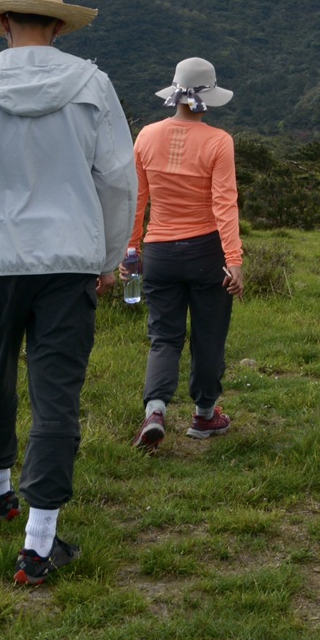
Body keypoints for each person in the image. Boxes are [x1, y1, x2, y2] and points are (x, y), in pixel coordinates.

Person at [0, 0, 136, 586]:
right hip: (69, 258)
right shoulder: (92, 84)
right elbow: (118, 179)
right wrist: (106, 257)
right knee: (57, 394)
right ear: (57, 26)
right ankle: (39, 543)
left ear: (2, 23)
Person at [129, 57, 245, 451]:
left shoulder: (145, 136)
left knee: (164, 337)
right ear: (208, 98)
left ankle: (156, 410)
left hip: (158, 251)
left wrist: (131, 248)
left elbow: (137, 201)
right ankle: (205, 415)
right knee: (209, 335)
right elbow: (224, 205)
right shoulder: (218, 141)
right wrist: (234, 261)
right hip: (206, 251)